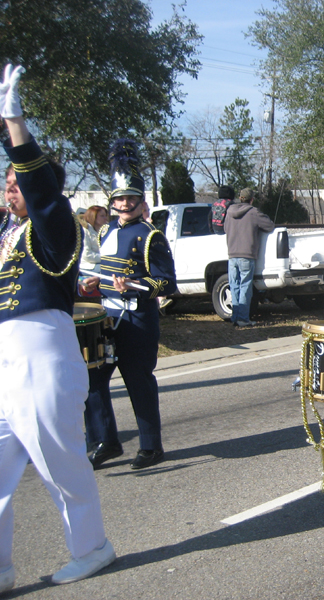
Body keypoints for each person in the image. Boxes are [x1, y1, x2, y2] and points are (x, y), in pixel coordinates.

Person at [0, 63, 115, 591]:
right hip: (3, 356)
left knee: (58, 461)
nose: (10, 191)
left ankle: (92, 548)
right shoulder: (6, 235)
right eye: (6, 184)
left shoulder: (55, 226)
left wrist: (15, 125)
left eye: (17, 183)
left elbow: (42, 194)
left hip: (41, 351)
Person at [80, 139, 177, 470]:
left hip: (137, 320)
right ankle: (106, 440)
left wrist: (132, 287)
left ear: (141, 201)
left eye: (130, 198)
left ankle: (151, 446)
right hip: (105, 318)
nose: (124, 203)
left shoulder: (151, 236)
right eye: (119, 198)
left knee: (138, 381)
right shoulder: (105, 229)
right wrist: (96, 281)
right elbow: (105, 271)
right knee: (92, 380)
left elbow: (166, 282)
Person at [223, 187, 275, 327]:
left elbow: (225, 229)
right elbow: (269, 226)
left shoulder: (229, 212)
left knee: (234, 286)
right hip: (247, 255)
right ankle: (243, 319)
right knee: (245, 287)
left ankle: (235, 317)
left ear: (240, 198)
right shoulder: (253, 212)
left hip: (232, 255)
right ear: (251, 199)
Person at [79, 205, 109, 273]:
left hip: (100, 262)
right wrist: (107, 258)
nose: (105, 218)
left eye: (105, 215)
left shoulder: (105, 230)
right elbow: (87, 255)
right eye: (102, 216)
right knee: (110, 271)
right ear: (93, 217)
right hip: (87, 265)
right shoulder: (85, 231)